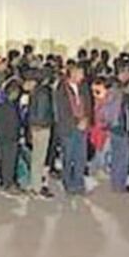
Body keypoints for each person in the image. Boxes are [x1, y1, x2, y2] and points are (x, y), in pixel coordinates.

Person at [53, 62, 90, 195]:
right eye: (80, 73)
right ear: (73, 73)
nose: (83, 76)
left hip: (83, 126)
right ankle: (68, 183)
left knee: (81, 156)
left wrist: (87, 119)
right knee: (68, 157)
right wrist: (76, 122)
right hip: (68, 128)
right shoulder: (61, 88)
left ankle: (79, 184)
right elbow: (62, 111)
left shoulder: (83, 87)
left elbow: (88, 104)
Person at [25, 69, 55, 198]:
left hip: (38, 127)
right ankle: (36, 187)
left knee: (37, 157)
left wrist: (33, 126)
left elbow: (38, 111)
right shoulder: (43, 92)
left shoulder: (38, 92)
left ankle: (35, 185)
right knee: (39, 157)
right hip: (41, 127)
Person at [0, 78, 23, 196]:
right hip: (8, 137)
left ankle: (8, 181)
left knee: (9, 160)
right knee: (8, 161)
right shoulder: (5, 106)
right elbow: (5, 123)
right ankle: (7, 183)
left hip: (10, 136)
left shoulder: (9, 104)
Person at [108, 66, 129, 193]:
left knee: (116, 155)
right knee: (123, 156)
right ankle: (120, 184)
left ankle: (115, 182)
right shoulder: (121, 91)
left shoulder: (111, 87)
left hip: (112, 125)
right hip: (120, 125)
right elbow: (124, 112)